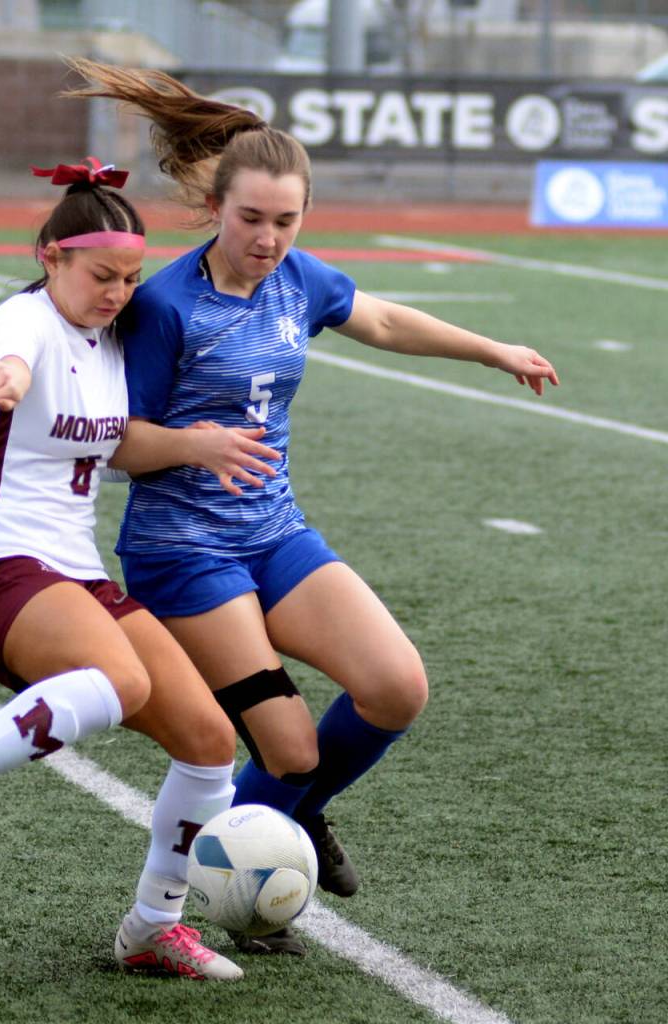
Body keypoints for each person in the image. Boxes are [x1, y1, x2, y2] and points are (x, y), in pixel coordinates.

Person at [59, 59, 561, 957]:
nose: (267, 238)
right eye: (250, 219)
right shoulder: (170, 305)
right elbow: (114, 438)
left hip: (275, 533)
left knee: (397, 686)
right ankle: (248, 861)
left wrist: (494, 350)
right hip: (184, 553)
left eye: (286, 221)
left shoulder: (299, 279)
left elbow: (385, 321)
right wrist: (194, 443)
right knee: (288, 747)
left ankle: (287, 822)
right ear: (215, 206)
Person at [0, 157, 282, 981]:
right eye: (102, 275)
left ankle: (151, 927)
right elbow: (16, 357)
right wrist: (11, 378)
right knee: (123, 682)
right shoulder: (18, 323)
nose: (118, 292)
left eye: (131, 278)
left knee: (208, 743)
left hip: (75, 570)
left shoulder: (110, 339)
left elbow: (123, 440)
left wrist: (197, 447)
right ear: (49, 258)